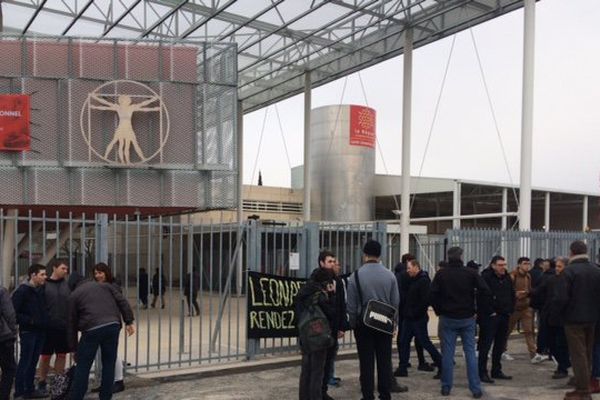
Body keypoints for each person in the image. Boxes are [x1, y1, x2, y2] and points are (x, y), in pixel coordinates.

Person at [430, 246, 490, 398]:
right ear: (461, 257)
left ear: (448, 257)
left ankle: (446, 386)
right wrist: (477, 309)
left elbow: (432, 294)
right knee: (470, 353)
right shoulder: (470, 273)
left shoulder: (441, 274)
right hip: (467, 317)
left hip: (448, 318)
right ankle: (475, 388)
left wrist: (439, 311)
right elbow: (485, 290)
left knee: (448, 355)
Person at [68, 265, 135, 400]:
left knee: (83, 366)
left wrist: (73, 348)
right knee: (109, 363)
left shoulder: (74, 295)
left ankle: (77, 396)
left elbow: (71, 324)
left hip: (91, 329)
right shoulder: (106, 286)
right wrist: (129, 321)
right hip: (112, 326)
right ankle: (105, 396)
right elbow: (122, 301)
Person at [347, 240, 401, 400]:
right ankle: (385, 394)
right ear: (379, 255)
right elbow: (395, 302)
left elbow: (351, 305)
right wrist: (394, 324)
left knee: (366, 363)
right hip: (384, 324)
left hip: (363, 324)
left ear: (364, 255)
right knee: (384, 361)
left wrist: (353, 323)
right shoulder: (390, 275)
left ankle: (368, 395)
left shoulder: (355, 276)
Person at [554, 241, 600, 400]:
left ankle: (582, 391)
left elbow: (561, 298)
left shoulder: (568, 272)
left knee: (578, 354)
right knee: (587, 353)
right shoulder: (596, 270)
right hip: (592, 318)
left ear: (572, 252)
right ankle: (584, 383)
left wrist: (558, 315)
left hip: (573, 319)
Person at [311, 251, 349, 400]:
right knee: (317, 364)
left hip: (333, 329)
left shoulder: (337, 281)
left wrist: (342, 326)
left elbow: (341, 305)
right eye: (329, 261)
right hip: (319, 328)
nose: (332, 264)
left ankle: (323, 390)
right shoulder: (315, 279)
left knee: (328, 362)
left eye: (334, 261)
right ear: (321, 263)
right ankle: (315, 393)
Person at [396, 259, 441, 378]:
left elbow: (425, 301)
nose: (407, 270)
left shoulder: (423, 281)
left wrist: (415, 313)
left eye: (409, 268)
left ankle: (442, 365)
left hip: (417, 318)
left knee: (425, 342)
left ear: (416, 267)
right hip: (409, 317)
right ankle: (402, 367)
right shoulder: (413, 280)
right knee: (404, 342)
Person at [297, 267, 336, 400]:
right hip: (318, 337)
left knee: (306, 371)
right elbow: (331, 313)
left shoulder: (302, 293)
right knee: (317, 372)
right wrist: (332, 295)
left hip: (305, 335)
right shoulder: (319, 295)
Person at [12, 264, 49, 399]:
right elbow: (14, 312)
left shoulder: (40, 290)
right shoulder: (22, 291)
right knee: (26, 361)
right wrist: (30, 320)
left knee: (33, 361)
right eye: (42, 274)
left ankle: (29, 389)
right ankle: (20, 391)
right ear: (33, 275)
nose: (45, 277)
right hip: (29, 331)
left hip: (39, 330)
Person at [478, 256, 514, 383]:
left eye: (504, 264)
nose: (503, 267)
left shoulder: (507, 278)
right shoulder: (486, 277)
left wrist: (510, 310)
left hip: (504, 315)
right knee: (485, 345)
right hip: (490, 317)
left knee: (499, 345)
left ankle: (496, 370)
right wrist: (490, 312)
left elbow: (511, 293)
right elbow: (481, 297)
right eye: (500, 265)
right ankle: (482, 372)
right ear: (493, 265)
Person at [91, 263, 127, 394]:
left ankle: (118, 380)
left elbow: (121, 304)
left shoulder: (113, 287)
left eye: (100, 273)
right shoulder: (97, 286)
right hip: (99, 322)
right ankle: (107, 381)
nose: (98, 276)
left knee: (112, 353)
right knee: (103, 353)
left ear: (106, 272)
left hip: (111, 322)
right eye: (95, 273)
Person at [38, 259, 71, 396]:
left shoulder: (67, 284)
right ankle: (42, 381)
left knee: (61, 355)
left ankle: (59, 382)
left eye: (66, 269)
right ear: (54, 268)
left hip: (63, 327)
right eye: (63, 268)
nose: (66, 271)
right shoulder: (44, 284)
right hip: (48, 327)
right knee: (45, 356)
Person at [544, 256, 571, 380]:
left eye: (560, 267)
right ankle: (564, 363)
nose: (557, 269)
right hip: (552, 316)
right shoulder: (552, 280)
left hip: (564, 318)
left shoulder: (569, 280)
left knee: (561, 344)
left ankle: (562, 367)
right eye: (556, 266)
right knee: (552, 343)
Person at [506, 257, 537, 361]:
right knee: (507, 330)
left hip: (526, 307)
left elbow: (529, 289)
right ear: (519, 265)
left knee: (529, 331)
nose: (527, 265)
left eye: (528, 263)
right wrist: (515, 294)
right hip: (514, 308)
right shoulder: (512, 276)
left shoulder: (528, 276)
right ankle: (502, 350)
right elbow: (506, 291)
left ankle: (533, 354)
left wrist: (528, 293)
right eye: (525, 263)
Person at [531, 258, 556, 363]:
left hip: (544, 307)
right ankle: (552, 351)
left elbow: (538, 291)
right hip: (555, 308)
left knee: (544, 329)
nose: (543, 266)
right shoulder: (557, 276)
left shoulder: (545, 277)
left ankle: (542, 350)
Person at [0, 283, 17, 399]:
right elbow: (9, 314)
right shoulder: (1, 291)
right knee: (9, 369)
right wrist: (12, 331)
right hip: (3, 336)